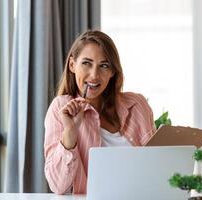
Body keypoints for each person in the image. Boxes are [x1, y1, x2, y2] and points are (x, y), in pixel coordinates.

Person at [44, 30, 156, 195]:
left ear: (112, 72)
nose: (94, 75)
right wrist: (70, 132)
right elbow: (58, 186)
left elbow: (156, 164)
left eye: (104, 66)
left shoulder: (136, 105)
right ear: (72, 65)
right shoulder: (60, 108)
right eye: (86, 63)